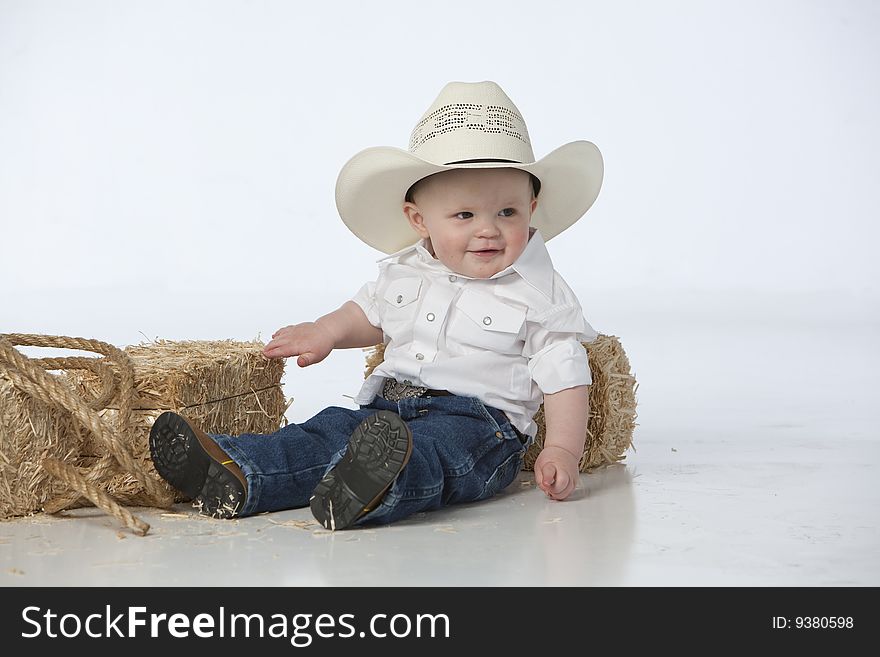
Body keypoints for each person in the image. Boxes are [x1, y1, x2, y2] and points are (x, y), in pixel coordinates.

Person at [149, 80, 604, 530]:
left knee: (436, 453)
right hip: (385, 414)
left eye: (507, 213)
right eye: (464, 215)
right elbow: (368, 314)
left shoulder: (541, 294)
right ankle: (238, 471)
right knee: (328, 431)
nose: (488, 229)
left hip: (481, 426)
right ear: (419, 220)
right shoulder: (406, 270)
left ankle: (370, 490)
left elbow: (564, 374)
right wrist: (325, 331)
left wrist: (562, 449)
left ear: (532, 206)